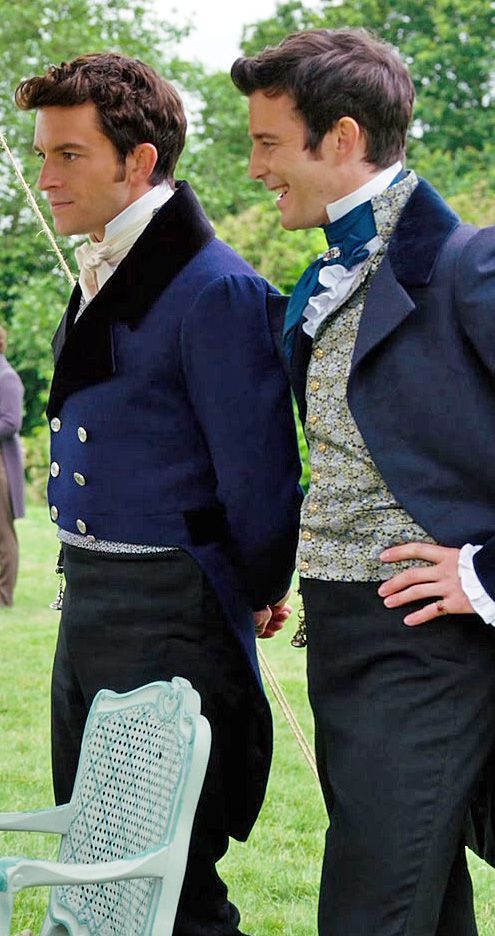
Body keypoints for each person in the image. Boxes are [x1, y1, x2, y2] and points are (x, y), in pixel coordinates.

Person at [231, 27, 495, 936]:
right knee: (423, 909)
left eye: (269, 142)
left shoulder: (469, 262)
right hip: (343, 638)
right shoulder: (324, 273)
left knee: (367, 913)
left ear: (342, 139)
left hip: (430, 648)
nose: (255, 167)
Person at [15, 52, 301, 936]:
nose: (45, 176)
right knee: (104, 871)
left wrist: (252, 589)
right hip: (95, 604)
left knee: (170, 883)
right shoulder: (111, 263)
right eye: (42, 154)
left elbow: (260, 475)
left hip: (170, 615)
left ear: (137, 162)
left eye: (68, 155)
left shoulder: (214, 287)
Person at [0, 326, 24, 606]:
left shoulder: (7, 378)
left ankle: (4, 597)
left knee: (4, 535)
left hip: (3, 467)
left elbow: (10, 422)